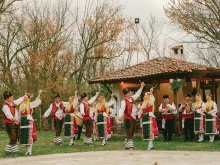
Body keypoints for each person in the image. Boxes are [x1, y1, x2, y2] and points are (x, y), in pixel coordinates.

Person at [118, 82, 145, 150]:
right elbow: (122, 109)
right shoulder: (124, 101)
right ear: (125, 95)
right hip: (128, 118)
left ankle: (127, 144)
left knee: (132, 131)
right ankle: (130, 146)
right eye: (128, 93)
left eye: (130, 93)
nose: (130, 94)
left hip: (133, 117)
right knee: (129, 131)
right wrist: (120, 116)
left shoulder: (132, 98)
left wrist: (141, 87)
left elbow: (137, 94)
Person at [19, 90, 42, 155]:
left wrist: (39, 93)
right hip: (23, 121)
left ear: (28, 98)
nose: (24, 98)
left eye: (26, 97)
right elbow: (19, 114)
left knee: (29, 135)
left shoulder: (30, 104)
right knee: (25, 136)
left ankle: (30, 151)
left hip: (28, 120)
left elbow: (37, 102)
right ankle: (27, 150)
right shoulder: (21, 105)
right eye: (24, 97)